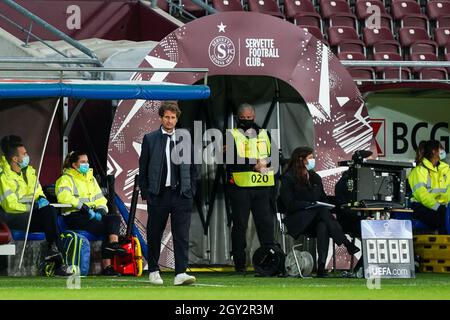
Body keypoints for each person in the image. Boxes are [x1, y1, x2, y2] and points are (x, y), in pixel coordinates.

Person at [139, 101, 197, 286]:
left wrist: (191, 190)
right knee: (154, 233)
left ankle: (180, 272)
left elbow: (193, 168)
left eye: (173, 117)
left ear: (177, 119)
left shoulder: (185, 139)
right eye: (167, 117)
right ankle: (154, 270)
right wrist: (147, 193)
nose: (170, 120)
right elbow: (143, 168)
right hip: (158, 194)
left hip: (181, 194)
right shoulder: (150, 138)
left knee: (181, 235)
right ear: (161, 117)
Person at [279, 146, 360, 277]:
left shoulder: (315, 177)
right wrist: (309, 204)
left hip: (316, 219)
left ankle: (321, 268)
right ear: (301, 159)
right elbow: (289, 204)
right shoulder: (288, 178)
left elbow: (323, 198)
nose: (313, 160)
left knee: (323, 224)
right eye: (311, 158)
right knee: (321, 212)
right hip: (298, 219)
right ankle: (345, 243)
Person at [0, 135, 71, 276]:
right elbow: (9, 205)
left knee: (49, 210)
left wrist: (41, 200)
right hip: (11, 217)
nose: (28, 156)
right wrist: (33, 207)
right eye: (24, 154)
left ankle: (54, 253)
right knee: (49, 215)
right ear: (15, 159)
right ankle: (58, 259)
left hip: (29, 215)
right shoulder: (3, 175)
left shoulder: (30, 172)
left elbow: (39, 193)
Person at [55, 150, 126, 276]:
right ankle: (107, 265)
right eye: (82, 162)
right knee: (106, 228)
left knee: (114, 218)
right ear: (74, 165)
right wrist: (84, 208)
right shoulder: (65, 179)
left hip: (92, 214)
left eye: (87, 162)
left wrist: (101, 210)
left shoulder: (90, 178)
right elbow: (64, 197)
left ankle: (113, 244)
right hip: (75, 216)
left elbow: (100, 198)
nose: (86, 165)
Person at [226, 103, 276, 273]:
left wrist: (268, 164)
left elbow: (275, 156)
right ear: (237, 118)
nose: (247, 121)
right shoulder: (231, 135)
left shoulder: (264, 134)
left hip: (262, 187)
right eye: (243, 118)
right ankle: (240, 265)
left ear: (254, 117)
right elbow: (230, 160)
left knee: (266, 225)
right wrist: (253, 165)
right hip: (241, 187)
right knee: (240, 226)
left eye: (250, 118)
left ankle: (270, 261)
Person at [408, 140, 449, 234]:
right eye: (441, 148)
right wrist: (438, 207)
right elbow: (421, 194)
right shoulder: (419, 170)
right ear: (434, 151)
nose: (443, 150)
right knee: (443, 220)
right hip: (422, 207)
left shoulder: (445, 170)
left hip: (443, 207)